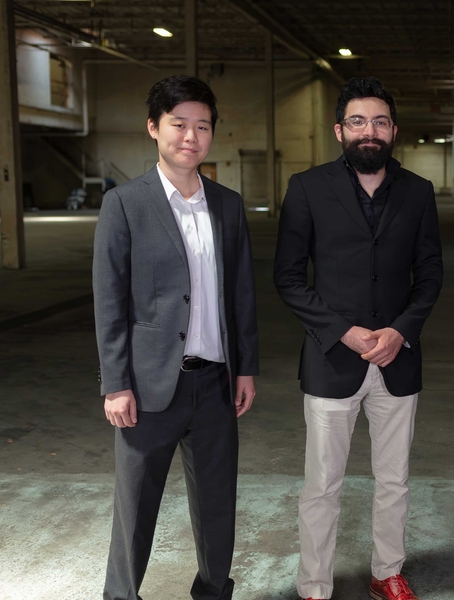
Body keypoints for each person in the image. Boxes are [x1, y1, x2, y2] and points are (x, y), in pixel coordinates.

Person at [274, 76, 443, 600]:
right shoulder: (308, 188)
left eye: (379, 121)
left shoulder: (417, 191)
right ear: (339, 129)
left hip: (398, 359)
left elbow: (431, 272)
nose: (369, 131)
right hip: (332, 360)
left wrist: (400, 330)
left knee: (394, 481)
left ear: (394, 130)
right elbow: (288, 277)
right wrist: (342, 331)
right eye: (357, 121)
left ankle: (386, 571)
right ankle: (314, 585)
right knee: (322, 485)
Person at [93, 75, 258, 600]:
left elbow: (241, 294)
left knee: (216, 507)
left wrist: (245, 367)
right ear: (153, 128)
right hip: (147, 388)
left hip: (213, 385)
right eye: (179, 124)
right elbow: (110, 300)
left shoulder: (228, 205)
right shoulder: (125, 204)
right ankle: (121, 595)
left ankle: (212, 593)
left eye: (202, 126)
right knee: (135, 508)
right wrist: (116, 383)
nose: (191, 136)